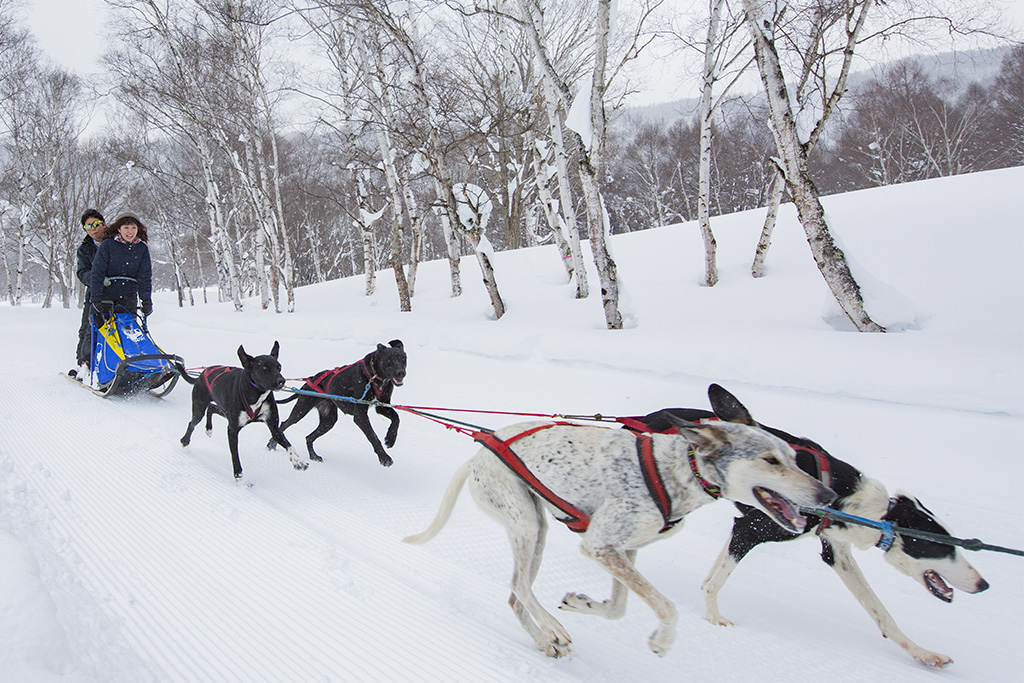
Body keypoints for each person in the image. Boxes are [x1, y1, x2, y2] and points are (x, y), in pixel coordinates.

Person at [89, 213, 153, 324]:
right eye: (126, 228)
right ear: (119, 229)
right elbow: (97, 272)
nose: (130, 232)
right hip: (107, 293)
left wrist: (146, 300)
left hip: (128, 295)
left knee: (127, 331)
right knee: (103, 332)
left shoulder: (141, 248)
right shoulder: (108, 245)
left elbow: (145, 276)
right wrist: (95, 298)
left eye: (133, 228)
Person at [69, 209, 107, 383]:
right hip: (94, 294)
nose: (93, 229)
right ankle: (84, 364)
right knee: (88, 329)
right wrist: (97, 279)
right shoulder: (85, 249)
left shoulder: (115, 242)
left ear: (103, 224)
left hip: (118, 294)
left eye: (96, 224)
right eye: (88, 226)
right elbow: (82, 272)